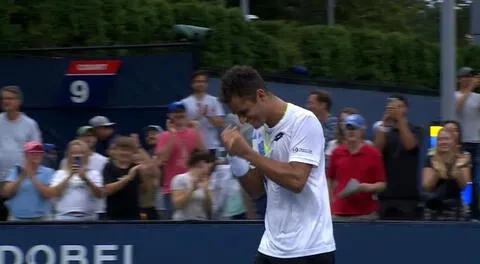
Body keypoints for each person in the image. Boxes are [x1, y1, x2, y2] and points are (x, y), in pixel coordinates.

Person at [219, 66, 335, 264]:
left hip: (309, 249)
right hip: (272, 246)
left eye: (244, 111)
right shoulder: (258, 131)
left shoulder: (304, 121)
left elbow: (297, 180)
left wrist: (247, 153)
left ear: (261, 95)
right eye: (237, 115)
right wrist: (236, 158)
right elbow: (256, 191)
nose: (242, 120)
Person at [2, 141, 54, 221]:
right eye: (32, 152)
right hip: (17, 219)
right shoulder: (16, 171)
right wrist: (22, 176)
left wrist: (33, 177)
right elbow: (6, 193)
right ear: (25, 155)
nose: (36, 155)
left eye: (39, 152)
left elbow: (48, 195)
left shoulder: (48, 172)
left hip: (42, 220)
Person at [171, 150, 214, 220]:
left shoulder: (206, 180)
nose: (210, 166)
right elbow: (178, 205)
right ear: (200, 164)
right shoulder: (180, 179)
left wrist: (206, 190)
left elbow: (209, 208)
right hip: (183, 221)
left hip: (201, 221)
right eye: (207, 163)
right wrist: (192, 190)